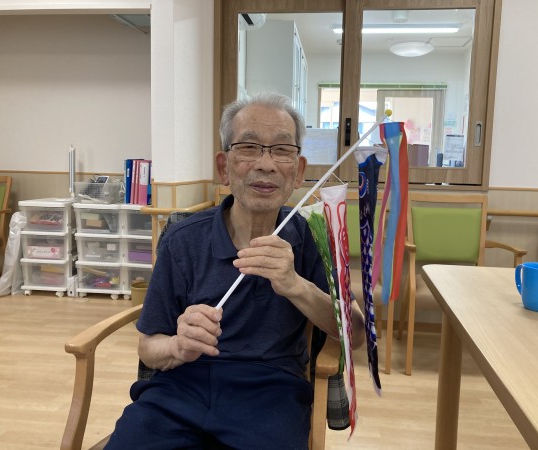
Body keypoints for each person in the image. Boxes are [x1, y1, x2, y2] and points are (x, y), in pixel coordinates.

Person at [105, 92, 365, 449]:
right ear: (223, 167)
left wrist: (294, 285)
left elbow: (356, 334)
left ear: (298, 171)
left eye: (282, 150)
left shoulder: (314, 237)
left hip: (271, 394)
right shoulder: (182, 240)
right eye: (249, 148)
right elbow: (149, 347)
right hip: (180, 389)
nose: (266, 164)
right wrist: (179, 346)